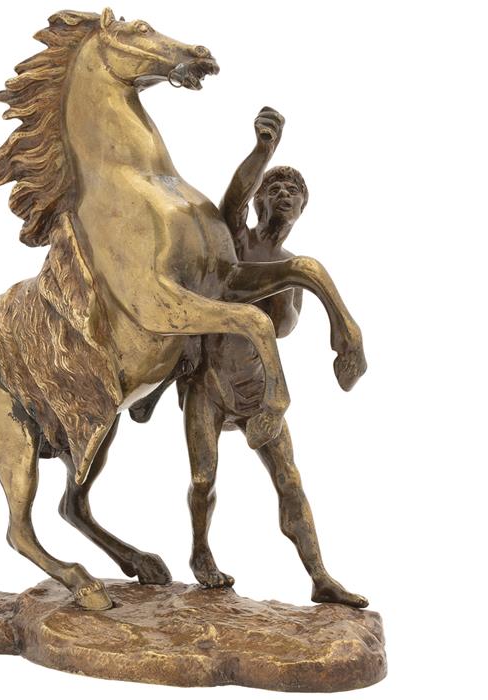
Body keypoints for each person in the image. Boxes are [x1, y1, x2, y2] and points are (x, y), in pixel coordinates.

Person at [130, 108, 368, 606]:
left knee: (290, 480)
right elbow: (232, 201)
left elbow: (281, 328)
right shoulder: (235, 242)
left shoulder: (290, 268)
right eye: (274, 188)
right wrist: (263, 152)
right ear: (261, 199)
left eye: (293, 191)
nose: (284, 194)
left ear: (302, 208)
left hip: (256, 384)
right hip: (209, 379)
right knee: (203, 478)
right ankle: (200, 552)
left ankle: (320, 575)